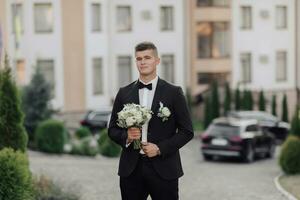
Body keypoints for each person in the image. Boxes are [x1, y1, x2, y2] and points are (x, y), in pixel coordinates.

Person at [108, 41, 194, 200]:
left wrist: (160, 148)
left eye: (147, 57)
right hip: (131, 170)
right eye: (139, 58)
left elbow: (187, 132)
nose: (142, 62)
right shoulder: (124, 93)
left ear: (157, 61)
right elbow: (112, 129)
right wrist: (126, 136)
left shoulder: (174, 92)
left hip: (164, 169)